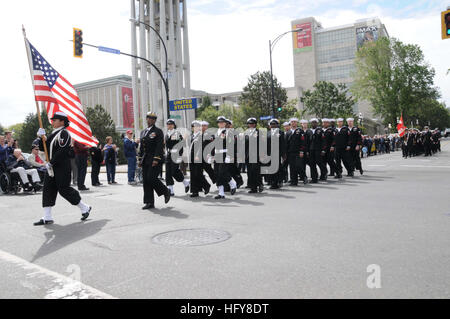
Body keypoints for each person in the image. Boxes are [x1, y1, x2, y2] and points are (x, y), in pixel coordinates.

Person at [34, 112, 91, 225]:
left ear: (62, 122)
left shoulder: (64, 133)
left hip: (61, 167)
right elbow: (42, 147)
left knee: (64, 189)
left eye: (55, 120)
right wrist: (40, 138)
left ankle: (85, 207)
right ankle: (47, 216)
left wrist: (51, 162)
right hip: (52, 167)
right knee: (48, 189)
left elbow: (62, 150)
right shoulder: (53, 134)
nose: (52, 121)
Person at [139, 112, 171, 209]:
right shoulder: (143, 132)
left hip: (155, 158)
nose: (151, 120)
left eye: (153, 119)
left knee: (151, 178)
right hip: (146, 159)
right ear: (146, 119)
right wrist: (140, 160)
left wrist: (156, 159)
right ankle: (149, 202)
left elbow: (159, 146)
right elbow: (142, 148)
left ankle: (165, 191)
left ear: (155, 120)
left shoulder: (158, 131)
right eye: (149, 118)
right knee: (146, 181)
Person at [212, 116, 237, 199]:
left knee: (222, 171)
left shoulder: (228, 132)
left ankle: (232, 183)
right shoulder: (216, 133)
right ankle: (221, 193)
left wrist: (229, 156)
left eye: (222, 122)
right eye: (219, 122)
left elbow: (231, 145)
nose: (221, 123)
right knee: (217, 173)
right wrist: (212, 155)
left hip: (224, 154)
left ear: (225, 123)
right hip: (217, 154)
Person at [165, 119, 190, 196]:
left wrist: (180, 155)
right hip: (169, 154)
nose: (169, 125)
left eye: (171, 124)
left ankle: (185, 182)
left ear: (174, 125)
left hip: (176, 154)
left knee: (174, 171)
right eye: (168, 124)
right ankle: (171, 190)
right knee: (168, 172)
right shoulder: (167, 134)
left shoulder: (177, 133)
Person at [189, 120, 210, 198]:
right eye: (193, 126)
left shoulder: (201, 135)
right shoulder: (191, 135)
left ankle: (206, 185)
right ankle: (195, 191)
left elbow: (202, 146)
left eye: (197, 126)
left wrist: (198, 155)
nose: (195, 128)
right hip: (192, 156)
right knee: (193, 174)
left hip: (199, 156)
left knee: (198, 173)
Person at [266, 119, 286, 189]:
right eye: (271, 124)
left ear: (277, 125)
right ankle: (273, 182)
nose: (273, 125)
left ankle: (276, 183)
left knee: (277, 168)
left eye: (275, 124)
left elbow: (283, 144)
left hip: (277, 153)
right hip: (269, 154)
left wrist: (283, 154)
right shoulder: (267, 133)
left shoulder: (281, 132)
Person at [245, 118, 263, 193]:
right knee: (250, 172)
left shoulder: (259, 132)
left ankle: (258, 185)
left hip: (256, 155)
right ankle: (254, 187)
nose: (251, 125)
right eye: (249, 124)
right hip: (248, 155)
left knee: (256, 171)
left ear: (255, 124)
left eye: (252, 124)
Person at [308, 118, 328, 183]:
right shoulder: (309, 131)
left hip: (318, 149)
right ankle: (314, 178)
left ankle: (324, 172)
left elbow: (324, 141)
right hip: (311, 150)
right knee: (312, 164)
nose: (314, 123)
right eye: (312, 122)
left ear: (317, 123)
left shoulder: (320, 130)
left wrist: (323, 150)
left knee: (319, 162)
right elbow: (306, 142)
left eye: (315, 122)